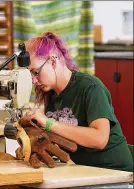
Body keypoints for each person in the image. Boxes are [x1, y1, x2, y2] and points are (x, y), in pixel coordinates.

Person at [23, 31, 133, 172]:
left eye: (36, 72)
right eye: (30, 74)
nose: (33, 80)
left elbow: (99, 139)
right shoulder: (51, 94)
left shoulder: (90, 87)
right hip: (85, 171)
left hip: (115, 171)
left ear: (53, 61)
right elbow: (63, 140)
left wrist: (49, 123)